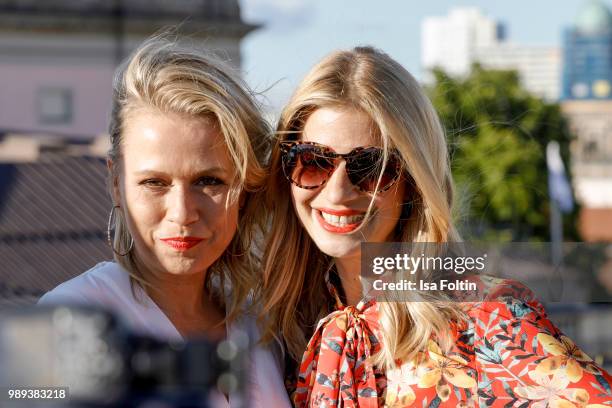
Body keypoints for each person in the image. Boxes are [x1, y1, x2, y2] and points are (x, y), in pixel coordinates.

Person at [258, 46, 612, 407]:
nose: (337, 192)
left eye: (370, 168)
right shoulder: (281, 331)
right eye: (313, 161)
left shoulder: (486, 316)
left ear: (414, 179)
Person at [38, 37, 290, 407]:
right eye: (154, 182)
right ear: (115, 183)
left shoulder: (264, 325)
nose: (182, 212)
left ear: (246, 186)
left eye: (209, 181)